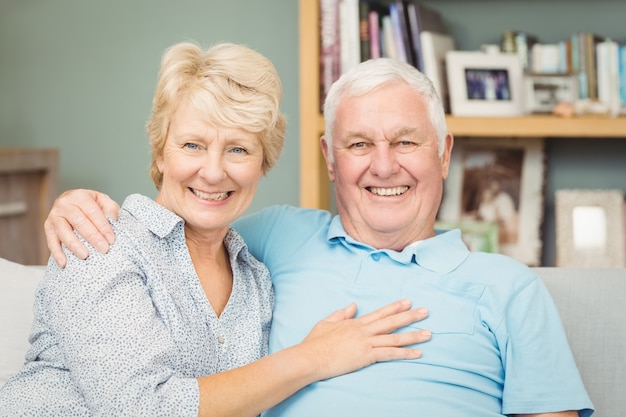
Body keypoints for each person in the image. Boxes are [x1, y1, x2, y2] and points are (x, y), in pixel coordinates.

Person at [42, 57, 595, 416]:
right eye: (358, 145)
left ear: (444, 153)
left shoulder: (507, 286)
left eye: (405, 142)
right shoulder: (276, 239)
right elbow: (176, 224)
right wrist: (78, 207)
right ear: (330, 159)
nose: (383, 167)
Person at [0, 43, 433, 416]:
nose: (212, 171)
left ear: (263, 164)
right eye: (192, 145)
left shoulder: (256, 279)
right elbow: (141, 409)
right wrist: (311, 358)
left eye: (238, 149)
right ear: (161, 151)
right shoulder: (99, 240)